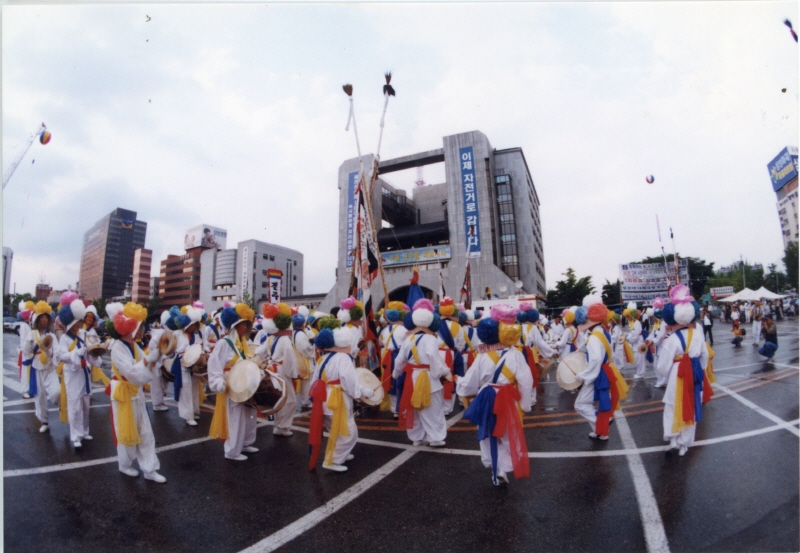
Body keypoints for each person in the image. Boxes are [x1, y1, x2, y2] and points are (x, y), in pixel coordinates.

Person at [458, 305, 532, 486]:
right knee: (507, 433)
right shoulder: (516, 355)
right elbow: (526, 381)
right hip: (509, 398)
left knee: (486, 433)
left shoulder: (482, 356)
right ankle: (505, 467)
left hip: (486, 396)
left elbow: (470, 382)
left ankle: (495, 468)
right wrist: (526, 404)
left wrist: (461, 389)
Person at [107, 302, 166, 482]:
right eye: (139, 326)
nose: (142, 329)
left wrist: (159, 354)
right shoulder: (117, 347)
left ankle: (150, 469)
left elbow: (146, 364)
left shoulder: (134, 346)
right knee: (125, 430)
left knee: (145, 432)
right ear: (130, 329)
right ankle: (124, 465)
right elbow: (132, 373)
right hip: (123, 393)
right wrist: (151, 358)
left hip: (135, 393)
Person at [307, 321, 374, 472]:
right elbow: (349, 382)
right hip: (338, 400)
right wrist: (362, 393)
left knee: (335, 430)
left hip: (324, 400)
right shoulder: (344, 358)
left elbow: (315, 381)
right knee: (349, 433)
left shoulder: (323, 358)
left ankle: (341, 453)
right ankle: (333, 461)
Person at [656, 285, 711, 456]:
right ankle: (684, 443)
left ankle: (672, 437)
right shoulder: (698, 334)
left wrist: (664, 375)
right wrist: (700, 370)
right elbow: (705, 354)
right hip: (694, 372)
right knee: (691, 406)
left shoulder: (671, 339)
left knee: (672, 405)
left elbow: (663, 366)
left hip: (677, 372)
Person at [393, 299, 451, 447]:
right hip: (429, 377)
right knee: (433, 409)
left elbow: (400, 360)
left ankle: (416, 438)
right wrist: (442, 372)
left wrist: (396, 374)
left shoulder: (408, 339)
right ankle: (435, 438)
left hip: (411, 378)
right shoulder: (431, 339)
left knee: (414, 408)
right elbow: (434, 358)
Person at [207, 302, 260, 461]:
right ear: (235, 325)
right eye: (243, 324)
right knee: (235, 417)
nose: (246, 327)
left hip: (244, 383)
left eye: (247, 324)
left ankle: (245, 443)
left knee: (249, 415)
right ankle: (232, 451)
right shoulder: (224, 343)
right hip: (231, 384)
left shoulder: (244, 343)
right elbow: (214, 364)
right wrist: (218, 382)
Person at [573, 296, 629, 441]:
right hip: (605, 371)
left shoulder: (593, 337)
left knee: (580, 404)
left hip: (597, 374)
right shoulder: (603, 332)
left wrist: (583, 376)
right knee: (595, 402)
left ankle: (601, 423)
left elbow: (596, 358)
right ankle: (600, 431)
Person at [56, 298, 102, 449]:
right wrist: (76, 354)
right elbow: (62, 356)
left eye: (79, 321)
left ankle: (84, 431)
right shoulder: (64, 338)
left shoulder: (83, 334)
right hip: (73, 375)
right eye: (76, 322)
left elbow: (90, 351)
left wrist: (95, 356)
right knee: (75, 407)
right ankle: (75, 435)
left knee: (85, 405)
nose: (78, 324)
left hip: (85, 374)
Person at [257, 302, 298, 436]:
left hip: (271, 369)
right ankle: (282, 427)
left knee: (278, 398)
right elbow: (290, 360)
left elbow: (260, 352)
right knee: (290, 400)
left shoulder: (270, 338)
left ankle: (278, 425)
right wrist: (294, 374)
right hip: (281, 371)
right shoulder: (285, 340)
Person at [22, 301, 57, 433]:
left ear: (48, 319)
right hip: (37, 367)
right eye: (41, 317)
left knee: (56, 392)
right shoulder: (32, 334)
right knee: (40, 396)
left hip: (49, 367)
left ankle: (60, 404)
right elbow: (26, 351)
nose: (44, 319)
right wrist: (30, 344)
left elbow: (56, 352)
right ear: (37, 319)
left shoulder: (52, 335)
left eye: (46, 317)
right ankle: (44, 421)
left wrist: (49, 352)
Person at [17, 300, 34, 398]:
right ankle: (24, 390)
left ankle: (28, 389)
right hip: (25, 352)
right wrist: (25, 351)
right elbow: (23, 340)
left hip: (28, 352)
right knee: (25, 372)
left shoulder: (27, 325)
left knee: (28, 372)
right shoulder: (24, 326)